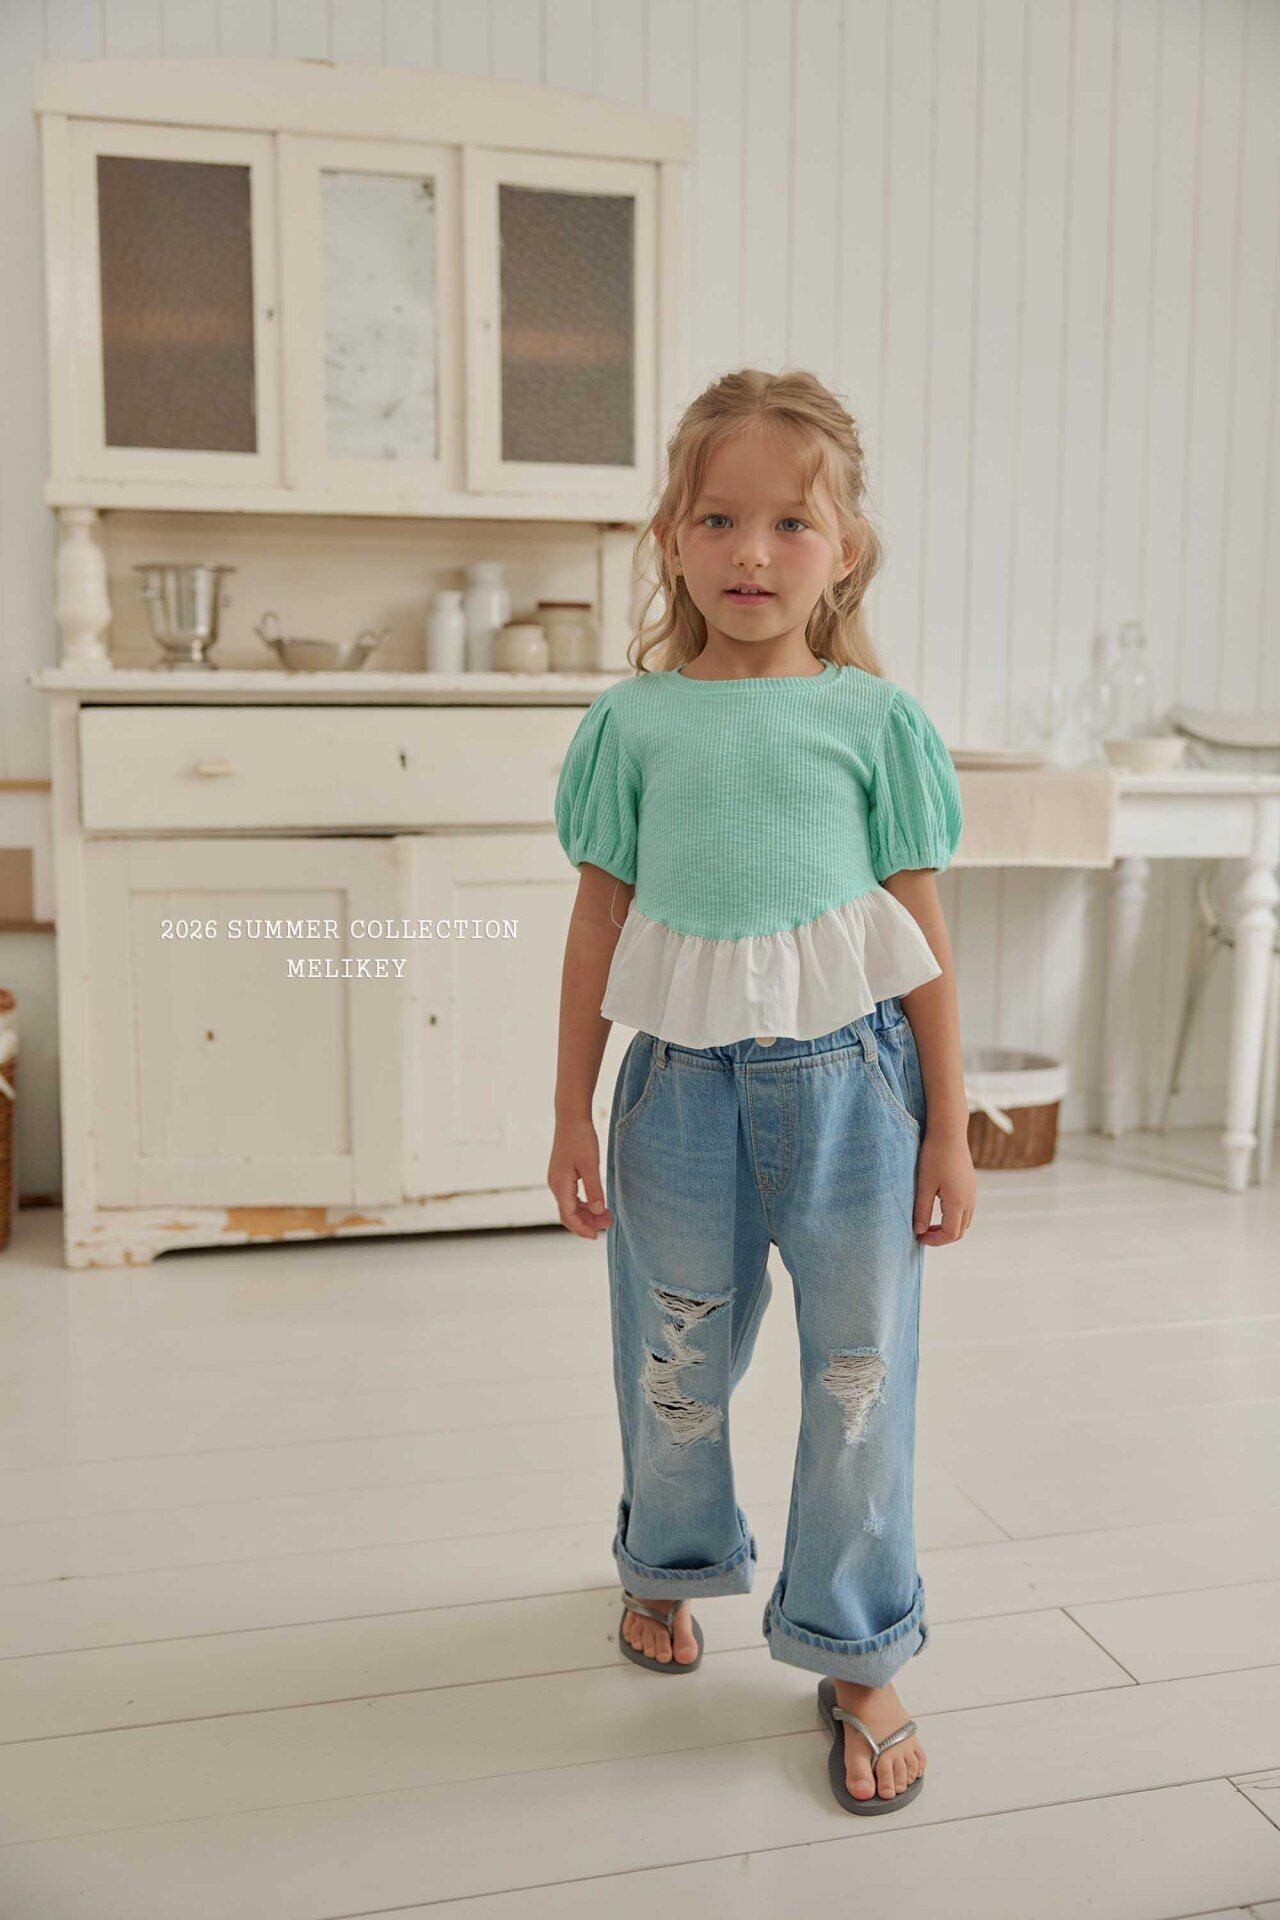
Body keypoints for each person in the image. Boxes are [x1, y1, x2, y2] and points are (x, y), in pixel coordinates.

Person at [548, 367, 975, 1817]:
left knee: (861, 1379)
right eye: (718, 519)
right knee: (675, 1360)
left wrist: (951, 1124)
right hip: (677, 1096)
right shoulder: (635, 725)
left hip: (856, 1093)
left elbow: (921, 934)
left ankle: (856, 1648)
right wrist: (568, 1114)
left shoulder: (876, 723)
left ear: (844, 550)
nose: (751, 553)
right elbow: (596, 930)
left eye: (791, 523)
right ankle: (667, 1563)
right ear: (672, 537)